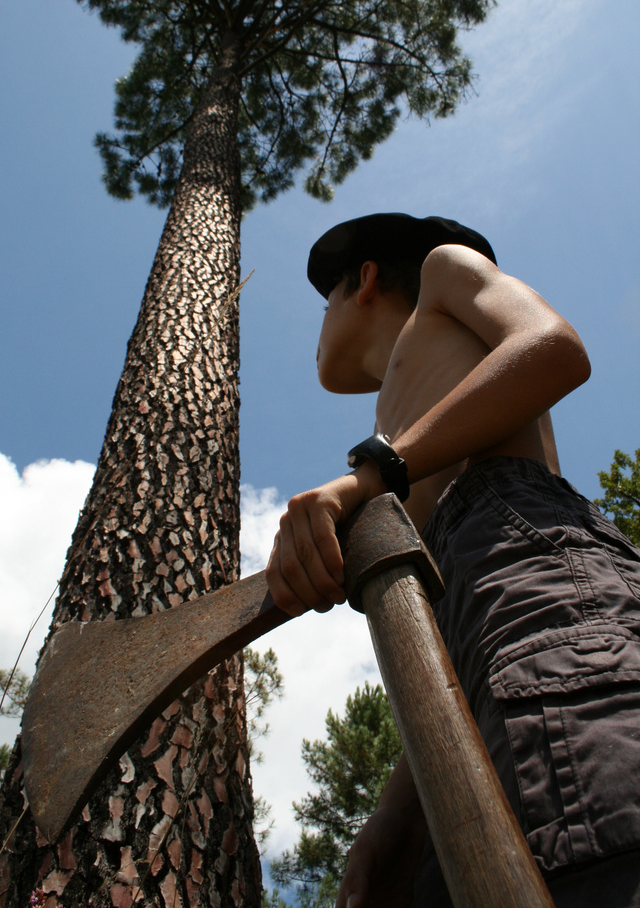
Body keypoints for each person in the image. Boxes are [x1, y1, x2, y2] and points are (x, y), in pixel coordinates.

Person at [266, 213, 640, 908]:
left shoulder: (446, 267)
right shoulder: (401, 409)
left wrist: (374, 473)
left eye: (328, 302)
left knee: (602, 849)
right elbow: (479, 658)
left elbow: (554, 347)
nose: (322, 325)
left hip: (532, 558)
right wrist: (398, 814)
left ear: (366, 278)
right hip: (471, 649)